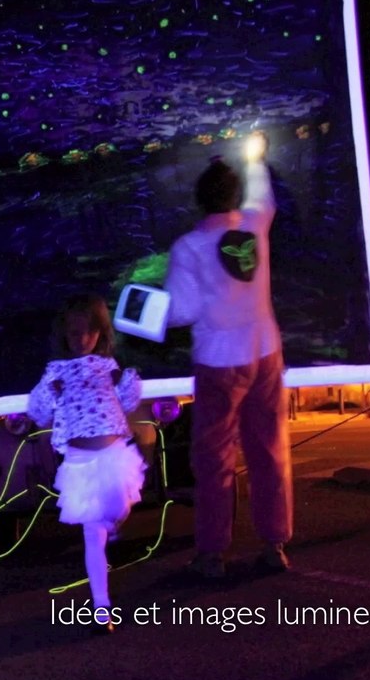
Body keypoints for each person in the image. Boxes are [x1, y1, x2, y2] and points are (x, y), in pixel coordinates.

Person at [163, 131, 292, 578]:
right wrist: (255, 158)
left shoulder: (189, 246)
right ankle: (275, 544)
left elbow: (182, 310)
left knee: (215, 458)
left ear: (199, 200)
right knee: (269, 450)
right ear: (235, 196)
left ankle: (212, 553)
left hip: (219, 360)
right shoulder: (255, 225)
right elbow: (264, 196)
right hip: (266, 351)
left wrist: (147, 310)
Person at [27, 293, 147, 633]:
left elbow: (129, 400)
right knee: (92, 535)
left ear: (99, 333)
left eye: (89, 332)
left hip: (112, 453)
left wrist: (128, 378)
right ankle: (101, 607)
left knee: (118, 509)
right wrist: (49, 390)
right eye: (74, 333)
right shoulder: (56, 371)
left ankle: (113, 526)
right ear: (65, 334)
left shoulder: (108, 366)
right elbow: (37, 410)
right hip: (79, 460)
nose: (81, 339)